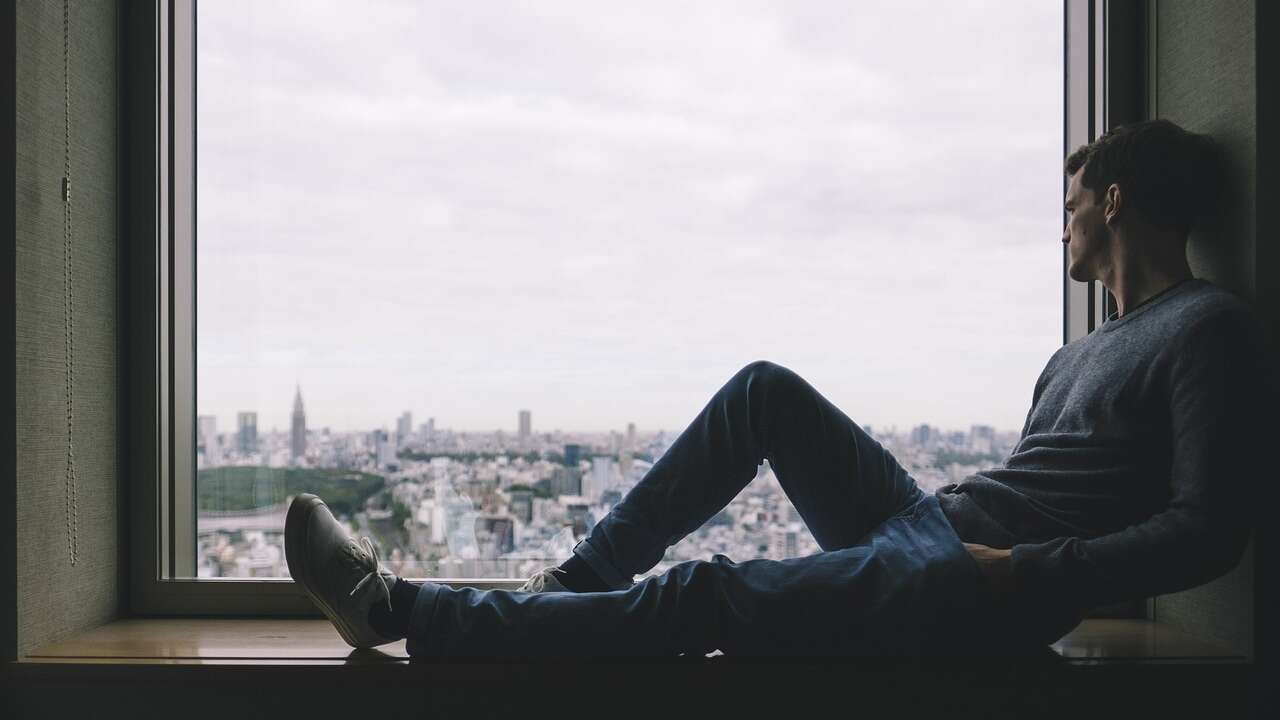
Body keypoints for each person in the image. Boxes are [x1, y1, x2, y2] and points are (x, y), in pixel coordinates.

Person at [284, 119, 1275, 658]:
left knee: (706, 591)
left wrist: (1022, 572)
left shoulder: (1205, 326)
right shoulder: (1072, 355)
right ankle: (574, 585)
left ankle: (398, 610)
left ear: (1112, 200)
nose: (1060, 226)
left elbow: (1207, 530)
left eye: (1070, 204)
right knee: (762, 391)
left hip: (974, 581)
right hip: (939, 532)